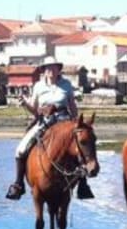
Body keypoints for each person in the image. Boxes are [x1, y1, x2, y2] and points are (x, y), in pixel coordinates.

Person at [5, 56, 92, 200]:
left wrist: (76, 123)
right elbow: (34, 109)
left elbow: (72, 106)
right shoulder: (38, 86)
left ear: (58, 69)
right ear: (44, 70)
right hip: (44, 121)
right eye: (48, 68)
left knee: (79, 147)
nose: (50, 70)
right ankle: (18, 184)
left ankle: (83, 184)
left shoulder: (66, 84)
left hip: (64, 121)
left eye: (53, 67)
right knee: (21, 149)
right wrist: (25, 104)